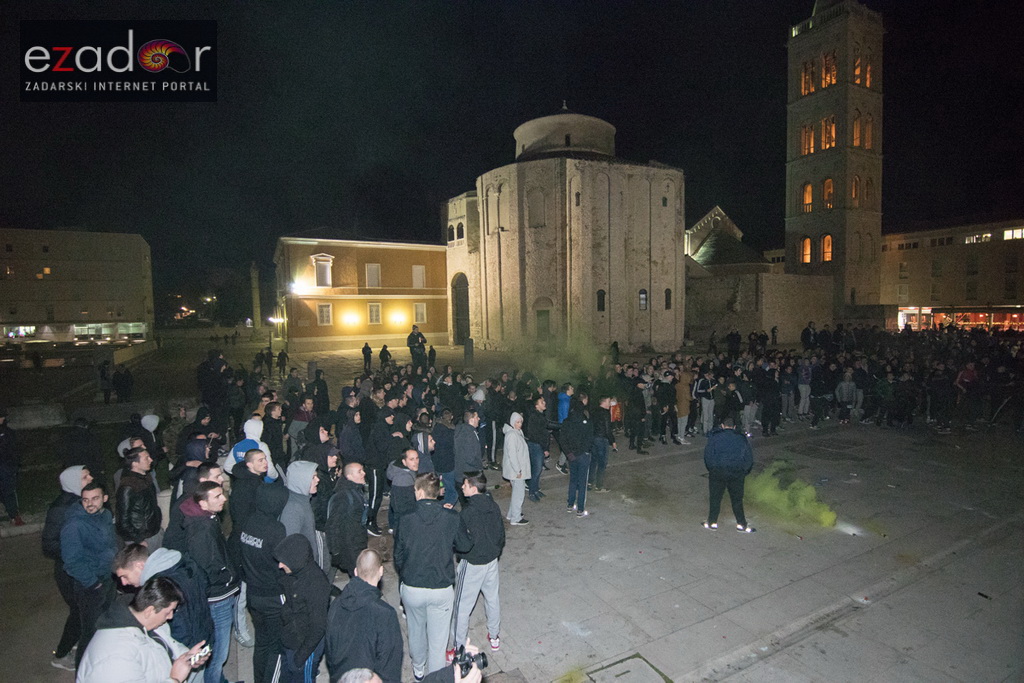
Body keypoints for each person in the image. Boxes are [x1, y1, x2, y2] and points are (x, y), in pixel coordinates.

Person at [395, 473, 470, 680]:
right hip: (441, 586)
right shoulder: (451, 517)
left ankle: (418, 669)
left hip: (412, 585)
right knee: (438, 640)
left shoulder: (405, 518)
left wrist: (406, 573)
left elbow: (398, 555)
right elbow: (465, 545)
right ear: (437, 493)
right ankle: (436, 677)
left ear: (419, 492)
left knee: (415, 629)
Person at [75, 576, 211, 683]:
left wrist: (186, 657)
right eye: (168, 612)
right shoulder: (116, 658)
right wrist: (175, 679)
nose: (170, 617)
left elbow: (165, 646)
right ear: (150, 611)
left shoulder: (144, 621)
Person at [181, 480, 240, 683]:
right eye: (217, 496)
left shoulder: (207, 519)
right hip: (218, 597)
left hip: (220, 592)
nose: (224, 498)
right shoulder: (201, 531)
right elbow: (209, 567)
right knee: (218, 654)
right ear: (203, 504)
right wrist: (229, 577)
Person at [111, 543, 214, 652]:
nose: (124, 582)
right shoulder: (183, 563)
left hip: (188, 649)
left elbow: (179, 627)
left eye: (125, 576)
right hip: (205, 635)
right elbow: (206, 585)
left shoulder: (160, 587)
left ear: (139, 565)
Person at [60, 481, 117, 667]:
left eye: (95, 499)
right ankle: (83, 672)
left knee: (106, 626)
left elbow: (110, 544)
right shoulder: (74, 526)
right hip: (89, 586)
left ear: (105, 499)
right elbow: (72, 562)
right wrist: (93, 583)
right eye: (85, 500)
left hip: (108, 578)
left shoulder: (106, 515)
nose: (90, 503)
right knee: (90, 632)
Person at [42, 465, 93, 671]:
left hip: (84, 566)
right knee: (79, 612)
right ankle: (61, 654)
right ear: (72, 483)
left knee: (88, 610)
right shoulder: (61, 509)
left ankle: (81, 646)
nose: (90, 478)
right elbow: (49, 545)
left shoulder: (84, 500)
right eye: (84, 477)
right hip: (69, 571)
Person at [325, 548, 403, 683]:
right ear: (381, 572)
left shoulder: (336, 604)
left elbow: (330, 650)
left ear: (355, 571)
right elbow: (390, 664)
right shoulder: (385, 614)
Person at [240, 484, 290, 683]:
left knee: (262, 643)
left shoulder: (249, 521)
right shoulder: (276, 529)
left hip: (253, 593)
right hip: (273, 595)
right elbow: (283, 563)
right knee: (277, 647)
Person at [450, 472, 504, 656]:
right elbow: (501, 535)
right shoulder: (493, 506)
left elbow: (463, 544)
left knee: (462, 606)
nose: (462, 487)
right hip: (491, 561)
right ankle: (495, 636)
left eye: (465, 485)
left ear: (473, 488)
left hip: (472, 564)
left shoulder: (467, 513)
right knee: (492, 598)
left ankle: (458, 647)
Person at [274, 534, 331, 683]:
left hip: (304, 649)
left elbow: (318, 627)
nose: (280, 565)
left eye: (284, 562)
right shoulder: (291, 575)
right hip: (290, 642)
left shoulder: (316, 584)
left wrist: (300, 658)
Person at [702, 416, 755, 533]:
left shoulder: (715, 437)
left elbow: (708, 456)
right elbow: (749, 459)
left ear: (722, 426)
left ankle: (712, 522)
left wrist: (713, 469)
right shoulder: (741, 439)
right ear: (734, 427)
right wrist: (743, 471)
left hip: (718, 472)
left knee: (715, 499)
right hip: (736, 474)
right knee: (737, 500)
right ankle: (741, 524)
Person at [326, 462, 369, 578]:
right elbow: (332, 525)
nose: (364, 473)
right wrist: (335, 551)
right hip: (350, 547)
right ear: (349, 476)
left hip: (357, 542)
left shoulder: (355, 490)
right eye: (359, 471)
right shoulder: (343, 497)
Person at [280, 459, 325, 569]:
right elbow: (291, 545)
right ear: (301, 480)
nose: (317, 480)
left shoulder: (303, 500)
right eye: (313, 477)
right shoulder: (293, 508)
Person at [115, 446, 163, 548]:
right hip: (141, 538)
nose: (151, 460)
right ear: (135, 464)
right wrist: (138, 540)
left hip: (153, 531)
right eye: (146, 458)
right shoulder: (128, 487)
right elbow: (123, 519)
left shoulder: (146, 478)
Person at [561, 397, 594, 517]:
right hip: (582, 455)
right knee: (582, 481)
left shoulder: (566, 422)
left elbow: (562, 439)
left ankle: (570, 504)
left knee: (573, 479)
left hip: (571, 456)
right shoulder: (586, 422)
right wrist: (581, 452)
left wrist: (569, 453)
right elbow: (589, 440)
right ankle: (580, 508)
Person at [501, 413, 530, 525]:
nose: (520, 424)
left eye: (521, 422)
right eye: (517, 422)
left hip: (516, 469)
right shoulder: (512, 435)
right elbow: (512, 455)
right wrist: (518, 470)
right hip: (516, 471)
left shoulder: (516, 432)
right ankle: (516, 518)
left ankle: (511, 514)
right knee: (519, 494)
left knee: (516, 493)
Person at [0, 407, 23, 526]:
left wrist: (15, 465)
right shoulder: (7, 433)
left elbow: (14, 450)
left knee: (8, 491)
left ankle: (13, 515)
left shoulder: (8, 432)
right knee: (7, 492)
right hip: (6, 466)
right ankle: (11, 513)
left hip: (6, 467)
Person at [589, 396, 616, 492]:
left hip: (593, 438)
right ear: (604, 402)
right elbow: (608, 429)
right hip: (601, 439)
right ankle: (599, 486)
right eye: (609, 401)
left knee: (593, 461)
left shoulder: (594, 411)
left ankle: (589, 482)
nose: (610, 404)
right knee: (602, 463)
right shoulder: (605, 413)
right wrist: (612, 441)